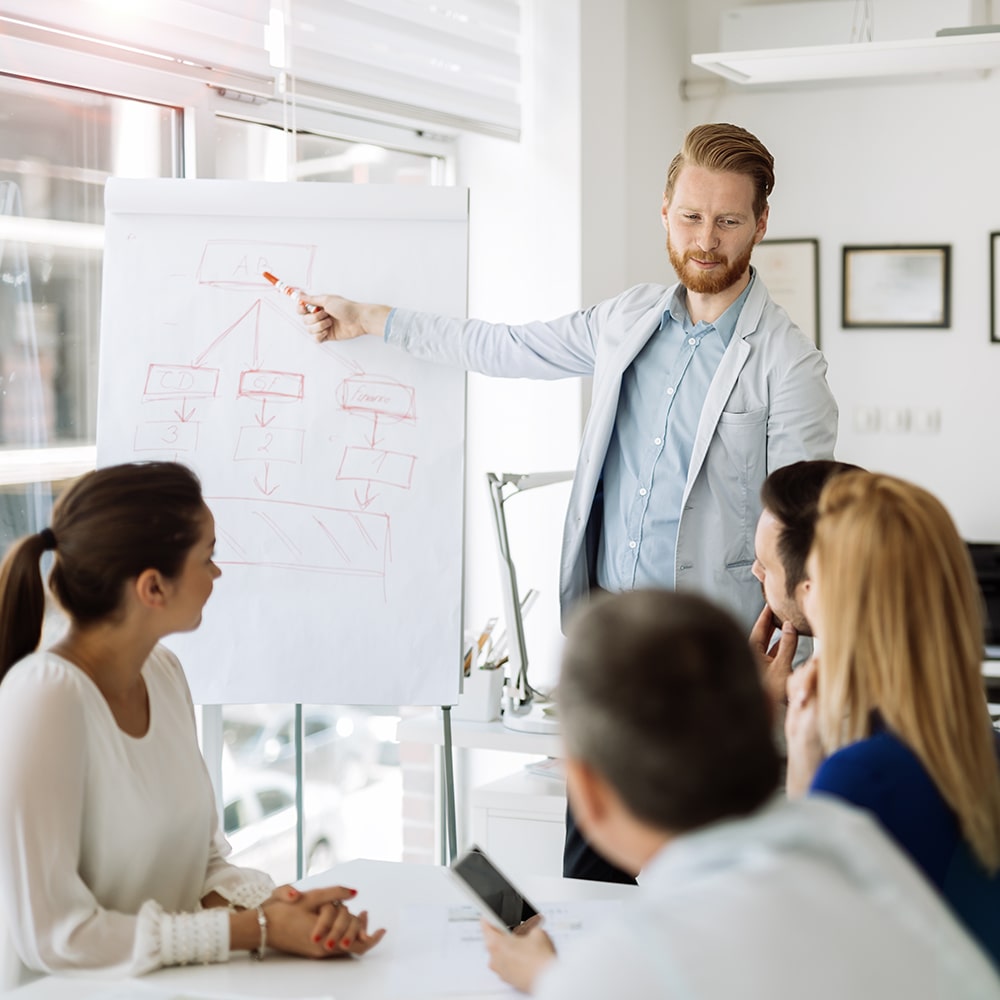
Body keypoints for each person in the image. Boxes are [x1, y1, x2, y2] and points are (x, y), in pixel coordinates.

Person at [301, 122, 838, 883]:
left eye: (728, 220)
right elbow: (506, 346)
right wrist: (369, 319)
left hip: (717, 670)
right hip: (612, 654)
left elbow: (804, 535)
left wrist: (789, 677)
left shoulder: (788, 364)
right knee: (592, 872)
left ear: (760, 224)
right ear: (663, 212)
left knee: (704, 882)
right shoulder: (627, 321)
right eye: (691, 216)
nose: (706, 239)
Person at [479, 589, 1000, 998]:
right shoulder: (850, 836)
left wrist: (555, 981)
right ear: (765, 715)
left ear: (588, 792)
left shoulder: (633, 964)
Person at [0, 461, 386, 978]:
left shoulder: (162, 671)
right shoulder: (45, 697)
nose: (217, 572)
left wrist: (286, 908)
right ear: (153, 588)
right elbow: (56, 936)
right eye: (208, 556)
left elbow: (203, 866)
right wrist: (257, 930)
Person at [785, 470, 1000, 968]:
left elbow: (799, 953)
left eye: (814, 576)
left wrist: (805, 763)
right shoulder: (979, 748)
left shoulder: (864, 776)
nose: (805, 591)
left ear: (848, 606)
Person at [748, 459, 861, 709]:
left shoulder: (853, 713)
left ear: (815, 590)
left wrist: (766, 709)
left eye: (766, 566)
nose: (755, 571)